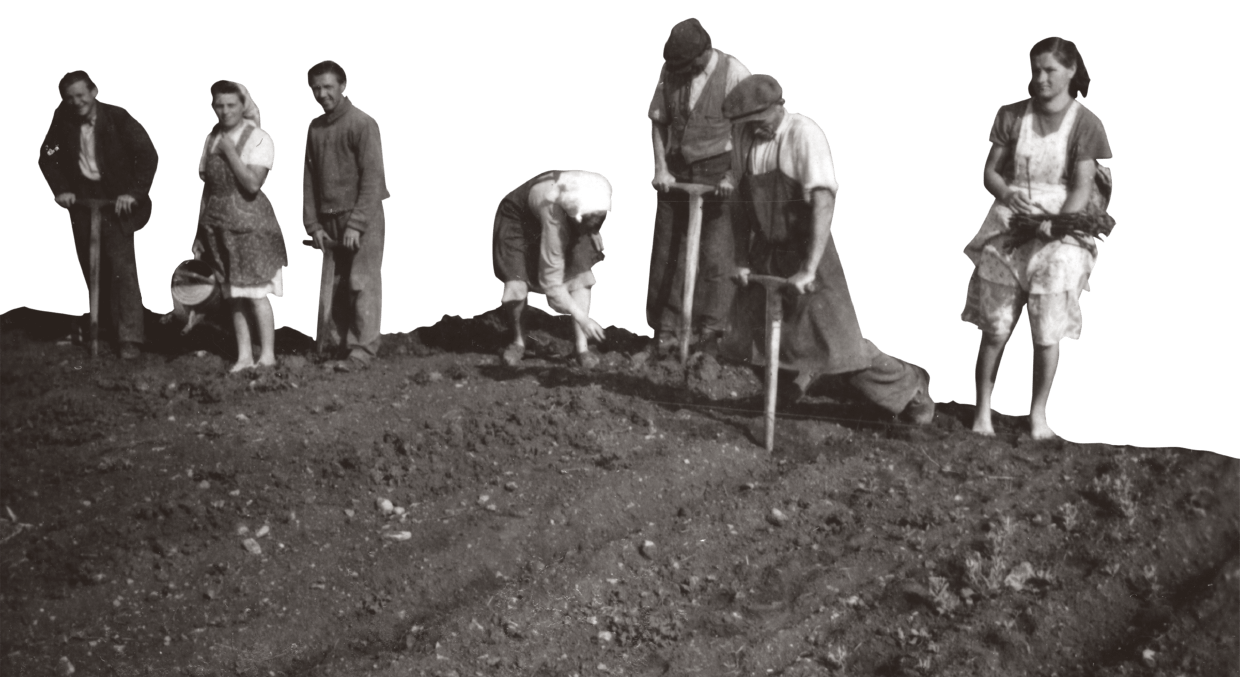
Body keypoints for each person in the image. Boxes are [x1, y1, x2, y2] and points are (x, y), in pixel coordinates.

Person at [719, 75, 936, 425]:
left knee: (836, 346)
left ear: (778, 107)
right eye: (745, 125)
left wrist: (809, 267)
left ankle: (909, 389)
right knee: (748, 337)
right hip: (767, 250)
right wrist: (741, 258)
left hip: (809, 252)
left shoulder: (803, 134)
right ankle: (784, 392)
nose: (751, 130)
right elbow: (740, 202)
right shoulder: (745, 136)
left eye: (757, 122)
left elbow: (823, 202)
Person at [962, 37, 1113, 440]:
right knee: (995, 327)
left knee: (1047, 328)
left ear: (1070, 72)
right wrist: (1008, 194)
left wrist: (1055, 225)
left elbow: (1081, 189)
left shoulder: (1086, 123)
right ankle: (982, 413)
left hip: (1060, 227)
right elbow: (990, 173)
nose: (1042, 78)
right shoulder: (1011, 115)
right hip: (1011, 221)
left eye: (1050, 70)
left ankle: (1039, 416)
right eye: (1036, 70)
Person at [645, 17, 752, 356]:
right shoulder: (671, 71)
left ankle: (710, 334)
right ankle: (668, 331)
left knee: (718, 254)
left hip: (719, 171)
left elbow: (747, 132)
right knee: (667, 252)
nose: (682, 71)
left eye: (688, 65)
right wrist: (661, 167)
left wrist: (732, 176)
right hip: (677, 172)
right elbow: (658, 121)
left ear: (703, 53)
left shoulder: (735, 73)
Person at [38, 70, 158, 359]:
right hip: (83, 203)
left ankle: (130, 338)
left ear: (94, 91)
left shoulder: (118, 118)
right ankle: (104, 327)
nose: (76, 102)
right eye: (69, 98)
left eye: (81, 94)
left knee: (122, 270)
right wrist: (62, 189)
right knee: (92, 268)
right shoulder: (62, 118)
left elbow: (148, 154)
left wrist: (132, 193)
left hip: (115, 204)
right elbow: (48, 154)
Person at [193, 80, 288, 373]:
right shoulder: (210, 139)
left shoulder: (259, 138)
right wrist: (198, 233)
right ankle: (244, 356)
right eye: (219, 105)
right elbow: (208, 190)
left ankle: (268, 355)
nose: (225, 111)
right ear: (213, 106)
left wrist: (230, 152)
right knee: (232, 294)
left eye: (231, 105)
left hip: (251, 226)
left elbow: (251, 183)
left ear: (242, 105)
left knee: (256, 293)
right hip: (218, 225)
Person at [302, 60, 389, 370]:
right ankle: (336, 346)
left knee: (361, 283)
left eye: (328, 87)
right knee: (336, 285)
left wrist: (356, 224)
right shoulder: (315, 128)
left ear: (342, 86)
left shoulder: (362, 123)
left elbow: (373, 179)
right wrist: (314, 225)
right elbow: (309, 179)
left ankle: (361, 352)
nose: (322, 94)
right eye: (316, 89)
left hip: (361, 218)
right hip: (329, 220)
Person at [492, 170, 611, 368]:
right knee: (516, 280)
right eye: (592, 220)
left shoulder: (592, 191)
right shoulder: (556, 221)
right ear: (578, 216)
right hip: (518, 217)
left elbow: (595, 211)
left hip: (568, 212)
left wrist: (594, 230)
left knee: (580, 272)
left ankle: (581, 348)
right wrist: (583, 318)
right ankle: (519, 341)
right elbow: (551, 283)